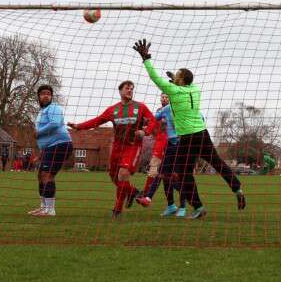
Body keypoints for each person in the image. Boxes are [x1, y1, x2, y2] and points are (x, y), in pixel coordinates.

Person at [133, 39, 245, 219]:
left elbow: (155, 78)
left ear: (181, 80)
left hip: (187, 139)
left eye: (177, 75)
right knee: (217, 163)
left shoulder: (174, 92)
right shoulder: (195, 90)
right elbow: (182, 86)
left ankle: (198, 207)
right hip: (202, 134)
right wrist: (174, 80)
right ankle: (238, 189)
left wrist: (146, 58)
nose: (175, 76)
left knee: (183, 174)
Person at [69, 80, 156, 218]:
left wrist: (145, 132)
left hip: (132, 146)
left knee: (122, 174)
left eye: (131, 89)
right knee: (115, 178)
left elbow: (153, 120)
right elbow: (96, 121)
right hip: (117, 147)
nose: (130, 90)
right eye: (127, 88)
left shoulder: (140, 107)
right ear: (120, 91)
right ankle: (133, 192)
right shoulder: (113, 110)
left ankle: (117, 209)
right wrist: (78, 126)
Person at [29, 84, 73, 217]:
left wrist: (38, 133)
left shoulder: (53, 108)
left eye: (48, 93)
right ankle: (43, 207)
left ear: (51, 96)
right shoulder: (42, 112)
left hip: (60, 145)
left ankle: (50, 210)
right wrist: (41, 153)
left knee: (47, 175)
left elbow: (54, 124)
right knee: (40, 175)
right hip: (50, 147)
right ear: (38, 97)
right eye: (43, 93)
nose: (46, 95)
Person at [142, 94, 184, 217]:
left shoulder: (178, 110)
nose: (164, 99)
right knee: (159, 174)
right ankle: (167, 203)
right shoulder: (159, 113)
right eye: (162, 97)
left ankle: (186, 198)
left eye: (166, 97)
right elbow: (153, 127)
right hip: (161, 148)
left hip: (175, 146)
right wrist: (146, 129)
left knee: (173, 176)